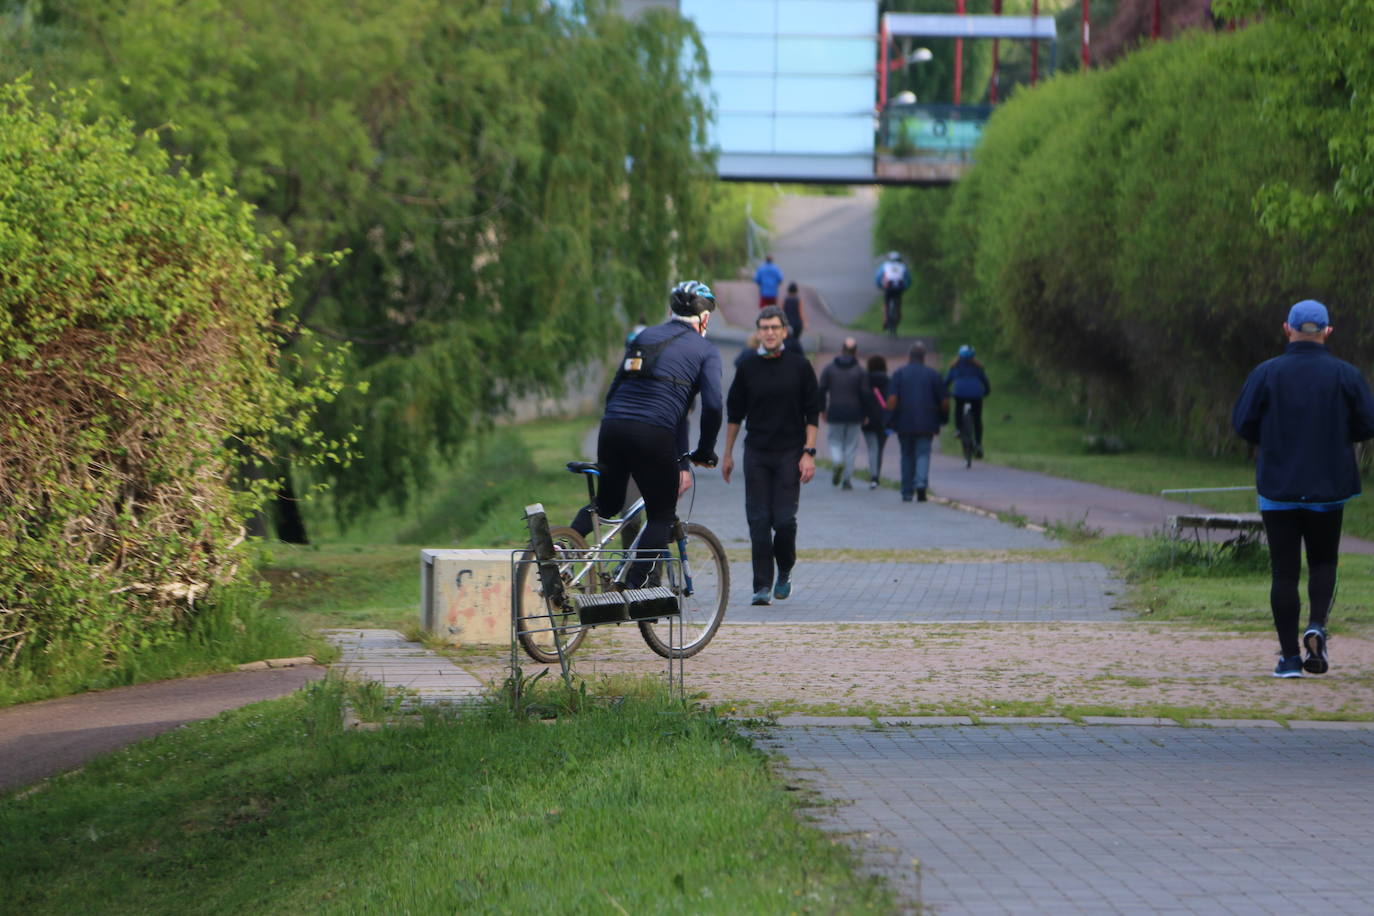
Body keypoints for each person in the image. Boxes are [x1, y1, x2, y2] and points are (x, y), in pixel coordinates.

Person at [1231, 299, 1374, 678]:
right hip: (1328, 489)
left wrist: (1272, 437)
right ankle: (1317, 626)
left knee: (1284, 571)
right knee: (1324, 562)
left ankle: (1290, 659)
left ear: (1287, 329)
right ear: (1327, 331)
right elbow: (1368, 422)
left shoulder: (1266, 373)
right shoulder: (1345, 374)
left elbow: (1243, 423)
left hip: (1278, 487)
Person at [573, 281, 723, 585]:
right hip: (652, 434)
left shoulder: (644, 336)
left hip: (612, 427)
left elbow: (613, 391)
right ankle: (632, 587)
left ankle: (561, 546)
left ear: (671, 311)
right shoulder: (706, 350)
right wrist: (705, 452)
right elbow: (714, 406)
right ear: (705, 319)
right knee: (661, 513)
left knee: (609, 504)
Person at [721, 306, 819, 606]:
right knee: (759, 521)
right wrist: (727, 454)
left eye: (775, 327)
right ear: (758, 332)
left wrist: (809, 453)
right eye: (764, 327)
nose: (770, 332)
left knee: (785, 521)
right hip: (757, 453)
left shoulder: (800, 366)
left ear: (784, 331)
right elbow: (735, 413)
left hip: (790, 452)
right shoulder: (748, 367)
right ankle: (762, 585)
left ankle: (785, 569)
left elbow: (812, 412)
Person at [886, 342, 946, 502]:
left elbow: (892, 399)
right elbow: (944, 401)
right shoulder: (933, 375)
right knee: (923, 453)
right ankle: (920, 484)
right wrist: (943, 417)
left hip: (904, 422)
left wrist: (889, 418)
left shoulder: (899, 373)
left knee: (906, 455)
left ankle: (907, 491)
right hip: (927, 422)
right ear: (923, 357)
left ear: (909, 357)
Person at [818, 337, 870, 490]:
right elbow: (865, 393)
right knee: (851, 445)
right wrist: (866, 413)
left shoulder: (829, 369)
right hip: (855, 413)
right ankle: (846, 479)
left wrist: (822, 409)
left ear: (841, 350)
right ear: (856, 352)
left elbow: (821, 390)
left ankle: (837, 461)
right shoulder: (861, 371)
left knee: (834, 441)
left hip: (835, 411)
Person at [945, 344, 991, 458]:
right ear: (973, 356)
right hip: (976, 395)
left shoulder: (954, 367)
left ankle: (958, 430)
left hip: (959, 394)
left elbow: (946, 383)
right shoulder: (978, 368)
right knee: (977, 419)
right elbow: (985, 382)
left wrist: (948, 393)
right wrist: (986, 392)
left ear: (959, 356)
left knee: (958, 411)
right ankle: (979, 444)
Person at [862, 354, 891, 490]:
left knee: (872, 448)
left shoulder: (865, 380)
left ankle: (874, 476)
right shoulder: (889, 381)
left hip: (869, 419)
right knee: (880, 449)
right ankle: (876, 475)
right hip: (885, 419)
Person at [874, 251, 911, 336]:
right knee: (898, 304)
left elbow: (878, 277)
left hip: (888, 288)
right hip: (899, 289)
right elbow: (908, 279)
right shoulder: (903, 266)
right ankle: (898, 314)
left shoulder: (885, 265)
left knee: (887, 304)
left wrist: (880, 285)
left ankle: (886, 320)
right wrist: (905, 287)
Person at [781, 282, 806, 354]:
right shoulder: (798, 300)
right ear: (796, 291)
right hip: (797, 323)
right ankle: (796, 352)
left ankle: (787, 352)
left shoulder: (785, 300)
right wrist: (804, 323)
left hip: (787, 323)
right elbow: (801, 313)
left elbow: (781, 311)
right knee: (795, 339)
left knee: (787, 339)